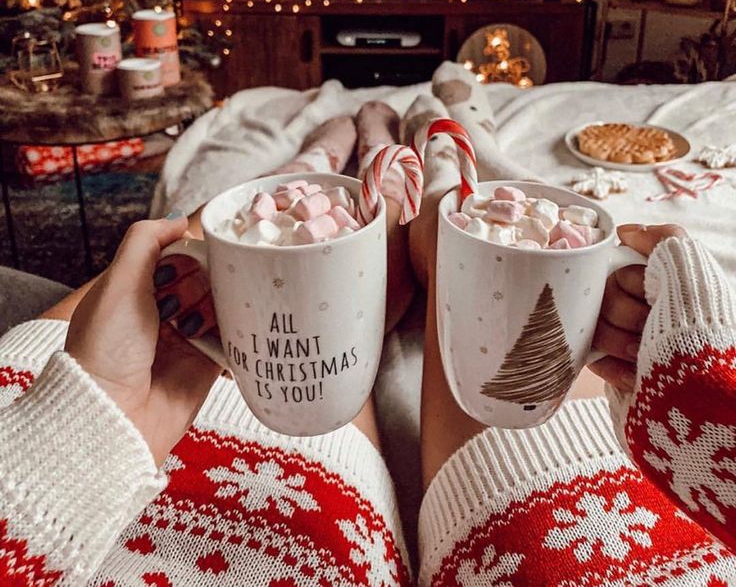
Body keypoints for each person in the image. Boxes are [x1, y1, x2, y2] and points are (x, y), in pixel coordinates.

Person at [1, 66, 735, 585]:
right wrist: (714, 415)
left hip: (52, 434)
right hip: (646, 540)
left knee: (225, 235)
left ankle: (329, 156)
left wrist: (90, 416)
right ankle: (441, 152)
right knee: (466, 247)